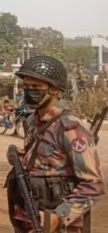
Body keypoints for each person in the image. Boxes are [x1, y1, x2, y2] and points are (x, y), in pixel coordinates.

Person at [7, 55, 105, 232]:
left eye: (36, 87)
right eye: (26, 86)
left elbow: (93, 185)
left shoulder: (70, 128)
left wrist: (59, 216)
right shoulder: (32, 122)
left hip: (58, 224)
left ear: (55, 90)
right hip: (29, 216)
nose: (28, 91)